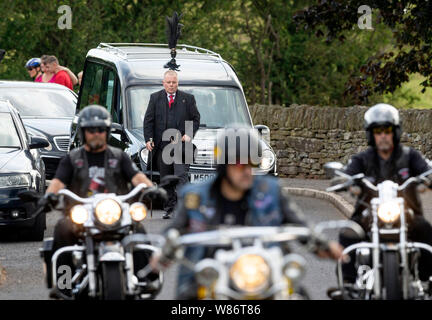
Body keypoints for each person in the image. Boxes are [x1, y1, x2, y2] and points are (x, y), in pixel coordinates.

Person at [151, 127, 344, 299]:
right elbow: (175, 229)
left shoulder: (271, 191)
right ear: (223, 165)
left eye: (251, 164)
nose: (246, 171)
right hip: (211, 272)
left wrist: (324, 245)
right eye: (239, 165)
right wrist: (163, 252)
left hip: (263, 269)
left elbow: (298, 223)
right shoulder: (196, 196)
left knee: (298, 294)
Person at [41, 105, 154, 297]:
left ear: (107, 131)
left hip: (116, 213)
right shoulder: (72, 158)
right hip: (82, 214)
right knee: (61, 228)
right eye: (91, 130)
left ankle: (146, 278)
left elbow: (137, 178)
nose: (96, 134)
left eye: (100, 129)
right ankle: (64, 283)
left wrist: (153, 189)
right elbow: (58, 182)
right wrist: (49, 196)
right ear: (84, 132)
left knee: (138, 229)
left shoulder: (119, 156)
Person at [337, 103, 432, 285]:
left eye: (387, 130)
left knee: (426, 230)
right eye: (378, 131)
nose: (383, 136)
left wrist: (428, 178)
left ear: (395, 132)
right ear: (371, 134)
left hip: (407, 215)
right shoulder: (362, 158)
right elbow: (346, 175)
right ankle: (348, 284)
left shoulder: (410, 156)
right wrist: (344, 182)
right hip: (368, 215)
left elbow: (425, 171)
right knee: (348, 232)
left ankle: (427, 278)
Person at [143, 70, 200, 219]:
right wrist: (148, 139)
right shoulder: (155, 98)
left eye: (174, 82)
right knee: (166, 179)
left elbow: (195, 119)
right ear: (164, 83)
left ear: (177, 83)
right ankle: (169, 208)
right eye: (168, 82)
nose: (171, 85)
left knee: (181, 177)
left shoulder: (188, 99)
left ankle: (184, 208)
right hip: (163, 146)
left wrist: (189, 133)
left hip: (182, 146)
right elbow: (148, 121)